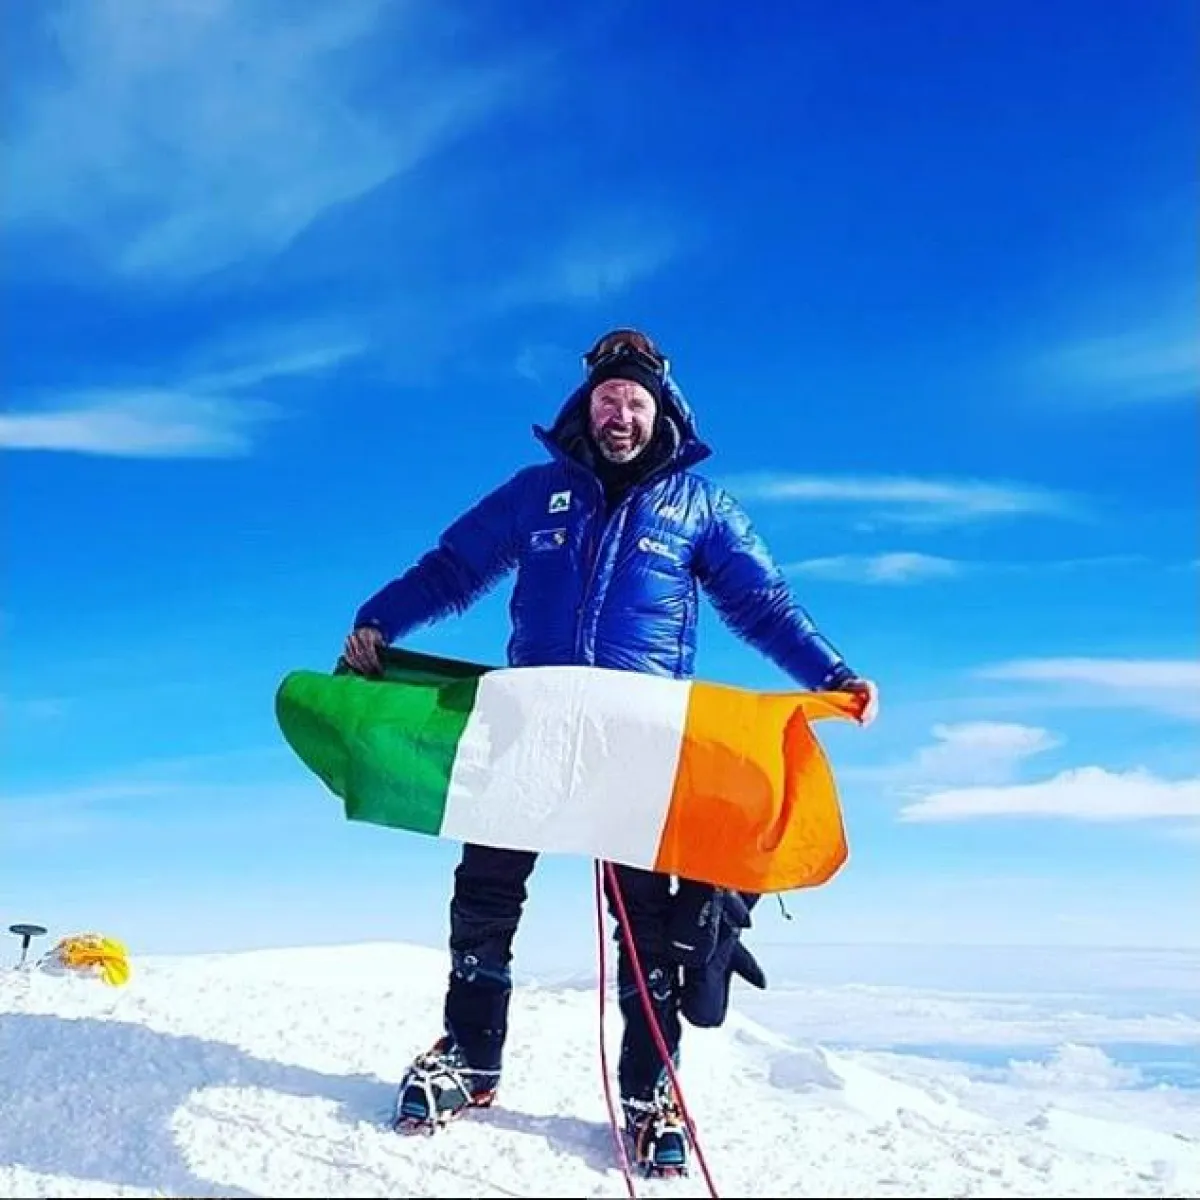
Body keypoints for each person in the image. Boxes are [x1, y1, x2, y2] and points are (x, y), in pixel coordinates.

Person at [341, 328, 877, 1176]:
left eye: (633, 401)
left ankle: (648, 1092)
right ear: (585, 409)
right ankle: (470, 1059)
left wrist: (832, 673)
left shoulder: (700, 507)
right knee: (484, 896)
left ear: (661, 411)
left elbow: (763, 604)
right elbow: (452, 568)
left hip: (638, 741)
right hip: (533, 724)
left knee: (647, 924)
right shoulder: (535, 493)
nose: (619, 415)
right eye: (606, 400)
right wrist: (380, 620)